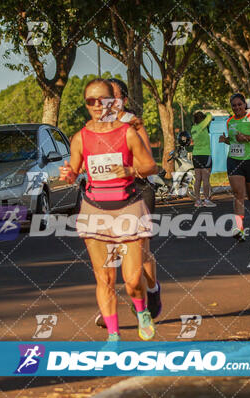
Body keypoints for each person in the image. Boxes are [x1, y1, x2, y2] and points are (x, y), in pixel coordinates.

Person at [59, 79, 158, 341]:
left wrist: (131, 170)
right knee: (105, 279)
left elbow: (151, 167)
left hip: (128, 210)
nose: (95, 105)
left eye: (100, 99)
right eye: (89, 101)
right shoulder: (80, 137)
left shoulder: (127, 133)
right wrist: (69, 174)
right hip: (95, 212)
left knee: (133, 280)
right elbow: (77, 170)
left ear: (112, 102)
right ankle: (113, 337)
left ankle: (142, 310)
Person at [91, 78, 162, 330]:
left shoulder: (133, 123)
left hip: (137, 191)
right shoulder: (95, 126)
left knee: (140, 255)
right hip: (106, 196)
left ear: (123, 100)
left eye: (114, 96)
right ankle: (107, 307)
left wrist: (127, 169)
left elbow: (148, 164)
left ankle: (151, 289)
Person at [218, 93, 250, 241]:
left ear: (244, 105)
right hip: (234, 160)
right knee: (238, 193)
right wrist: (225, 140)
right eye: (234, 105)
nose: (237, 107)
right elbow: (234, 142)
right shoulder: (229, 121)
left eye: (240, 104)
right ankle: (239, 228)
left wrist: (246, 137)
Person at [190, 111, 216, 207]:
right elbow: (210, 116)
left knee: (197, 179)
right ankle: (206, 200)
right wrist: (207, 113)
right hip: (205, 155)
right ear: (202, 119)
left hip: (196, 155)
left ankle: (197, 201)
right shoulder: (202, 125)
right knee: (205, 179)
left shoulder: (193, 128)